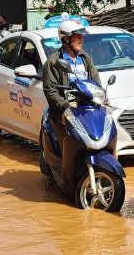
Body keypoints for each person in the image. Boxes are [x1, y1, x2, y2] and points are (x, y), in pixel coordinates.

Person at [41, 19, 111, 190]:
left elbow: (96, 82)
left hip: (88, 108)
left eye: (81, 37)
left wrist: (104, 97)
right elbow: (50, 91)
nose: (81, 40)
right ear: (66, 39)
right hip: (65, 109)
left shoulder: (85, 59)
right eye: (77, 37)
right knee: (69, 140)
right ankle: (67, 179)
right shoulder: (53, 61)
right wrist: (65, 105)